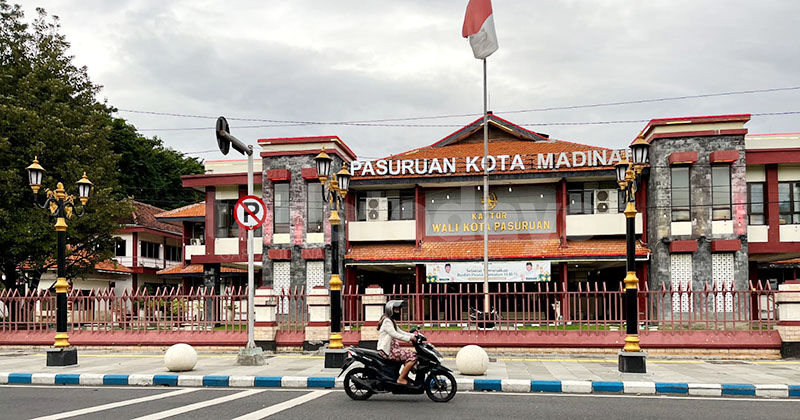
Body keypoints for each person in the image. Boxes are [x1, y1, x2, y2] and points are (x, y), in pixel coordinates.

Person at [377, 300, 417, 385]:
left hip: (393, 349)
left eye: (398, 310)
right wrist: (409, 338)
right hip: (388, 351)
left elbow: (400, 331)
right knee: (413, 356)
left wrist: (413, 336)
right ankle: (401, 378)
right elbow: (394, 334)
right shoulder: (387, 321)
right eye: (396, 310)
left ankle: (404, 375)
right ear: (390, 310)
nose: (398, 312)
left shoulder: (391, 320)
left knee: (411, 353)